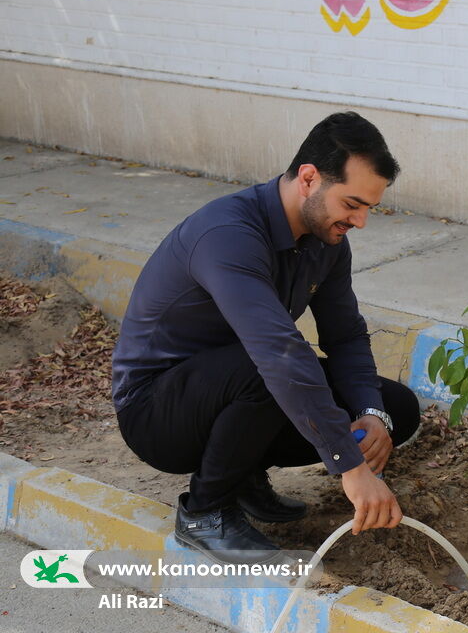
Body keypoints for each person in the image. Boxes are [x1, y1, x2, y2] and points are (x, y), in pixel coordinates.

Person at [111, 112, 419, 564]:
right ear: (309, 179)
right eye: (352, 204)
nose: (360, 221)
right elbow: (276, 352)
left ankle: (243, 474)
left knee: (397, 407)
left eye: (368, 208)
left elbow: (347, 336)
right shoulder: (228, 235)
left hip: (235, 386)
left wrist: (370, 414)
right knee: (272, 366)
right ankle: (205, 512)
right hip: (158, 409)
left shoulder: (326, 241)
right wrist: (349, 466)